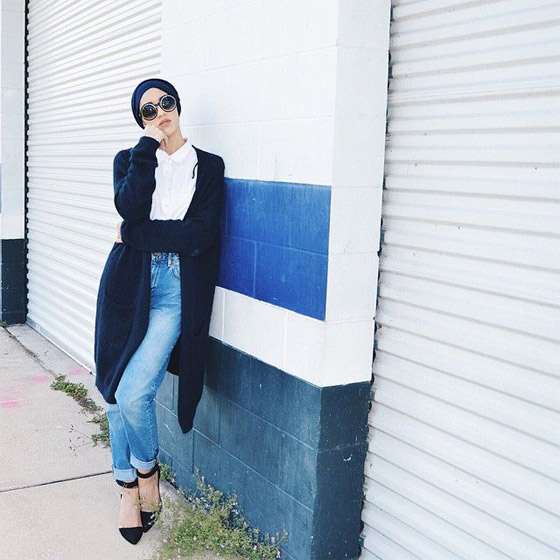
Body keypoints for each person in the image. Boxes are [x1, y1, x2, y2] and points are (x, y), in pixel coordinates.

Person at [96, 78, 224, 545]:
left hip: (173, 288)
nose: (159, 112)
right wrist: (147, 147)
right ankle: (128, 489)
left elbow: (199, 236)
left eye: (165, 102)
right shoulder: (130, 160)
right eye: (147, 110)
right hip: (127, 283)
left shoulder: (208, 167)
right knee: (114, 390)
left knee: (134, 394)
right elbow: (130, 206)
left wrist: (135, 235)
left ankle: (146, 472)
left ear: (178, 105)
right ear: (141, 121)